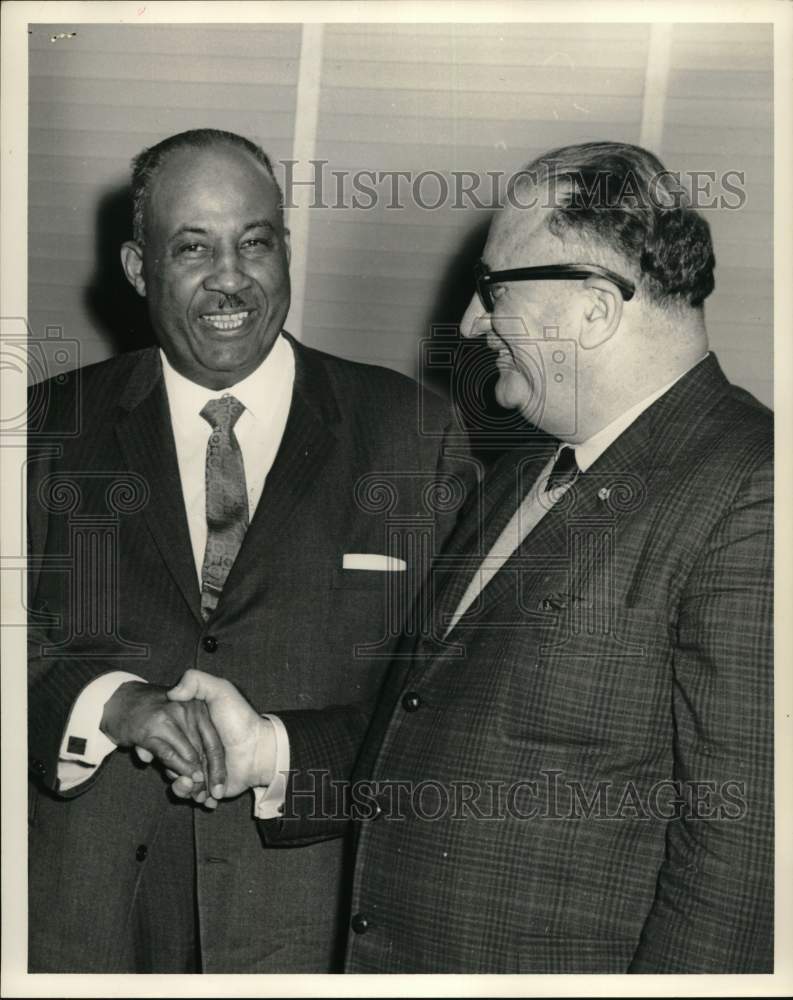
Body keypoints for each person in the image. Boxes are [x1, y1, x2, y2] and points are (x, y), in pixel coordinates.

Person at [170, 141, 774, 973]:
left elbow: (742, 873)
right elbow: (430, 728)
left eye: (493, 290)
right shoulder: (518, 474)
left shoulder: (754, 491)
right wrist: (268, 749)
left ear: (593, 308)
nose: (467, 323)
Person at [27, 128, 470, 973]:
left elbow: (447, 707)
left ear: (286, 249)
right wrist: (113, 704)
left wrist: (276, 749)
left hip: (311, 930)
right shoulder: (43, 429)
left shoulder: (414, 434)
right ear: (135, 267)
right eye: (192, 247)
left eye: (255, 242)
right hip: (83, 932)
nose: (230, 278)